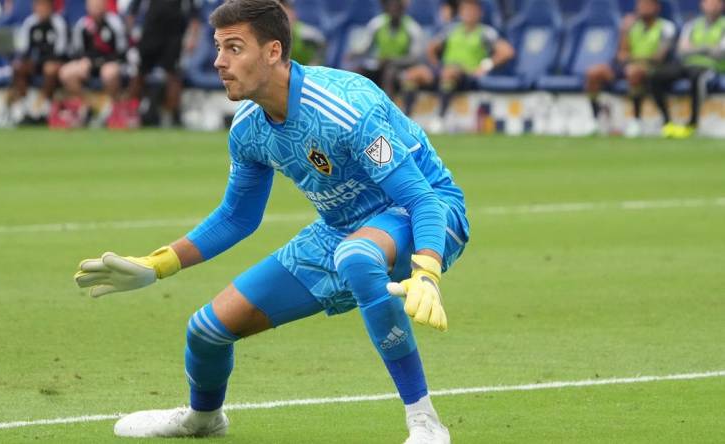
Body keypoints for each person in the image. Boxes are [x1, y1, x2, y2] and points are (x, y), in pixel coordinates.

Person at [73, 0, 468, 442]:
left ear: (273, 51)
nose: (219, 62)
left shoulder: (346, 107)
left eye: (234, 48)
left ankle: (425, 420)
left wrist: (428, 269)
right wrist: (157, 264)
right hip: (339, 231)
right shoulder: (248, 129)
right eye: (218, 47)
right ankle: (204, 419)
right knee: (206, 330)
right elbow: (236, 217)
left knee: (357, 255)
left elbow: (421, 198)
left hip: (427, 216)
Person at [400, 0, 513, 129]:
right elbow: (431, 48)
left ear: (479, 13)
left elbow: (507, 51)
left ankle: (440, 119)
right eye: (465, 10)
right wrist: (436, 65)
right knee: (413, 74)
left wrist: (485, 66)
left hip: (466, 74)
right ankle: (405, 119)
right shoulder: (452, 29)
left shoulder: (485, 32)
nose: (469, 13)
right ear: (460, 12)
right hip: (443, 70)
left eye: (472, 10)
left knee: (450, 72)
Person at [585, 0, 676, 137]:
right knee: (593, 73)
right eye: (640, 5)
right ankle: (595, 120)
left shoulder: (666, 27)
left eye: (646, 5)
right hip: (627, 66)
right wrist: (624, 31)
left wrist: (633, 59)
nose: (642, 8)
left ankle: (636, 121)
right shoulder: (631, 26)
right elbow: (621, 54)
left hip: (651, 68)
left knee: (634, 72)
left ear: (656, 7)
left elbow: (658, 57)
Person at [649, 0, 724, 138]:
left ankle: (693, 123)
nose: (712, 6)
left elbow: (720, 52)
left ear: (722, 5)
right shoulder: (692, 24)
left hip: (711, 67)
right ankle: (667, 121)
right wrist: (707, 48)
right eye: (709, 2)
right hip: (687, 64)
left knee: (698, 78)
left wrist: (695, 48)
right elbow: (681, 50)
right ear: (702, 5)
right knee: (656, 76)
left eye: (716, 3)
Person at [123, 0, 200, 128]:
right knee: (139, 74)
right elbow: (132, 11)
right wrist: (131, 35)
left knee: (173, 76)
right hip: (149, 34)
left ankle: (171, 116)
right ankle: (131, 112)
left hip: (174, 36)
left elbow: (194, 15)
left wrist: (192, 37)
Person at [57, 0, 127, 126]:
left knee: (109, 72)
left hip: (109, 63)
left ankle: (110, 108)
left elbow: (122, 53)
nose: (96, 9)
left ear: (105, 6)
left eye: (99, 5)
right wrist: (82, 61)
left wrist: (98, 62)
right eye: (93, 6)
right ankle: (89, 105)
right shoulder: (82, 25)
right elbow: (76, 52)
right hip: (89, 65)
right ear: (87, 7)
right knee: (66, 72)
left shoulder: (114, 23)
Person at [347, 0, 424, 99]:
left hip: (401, 67)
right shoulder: (377, 23)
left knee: (390, 71)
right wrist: (354, 54)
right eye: (391, 8)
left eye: (397, 9)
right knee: (359, 70)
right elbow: (366, 47)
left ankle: (387, 102)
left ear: (403, 10)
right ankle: (355, 100)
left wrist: (393, 60)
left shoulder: (412, 27)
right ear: (386, 9)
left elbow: (415, 57)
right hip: (380, 64)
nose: (394, 11)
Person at [8, 0, 68, 125]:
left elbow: (60, 53)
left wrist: (43, 61)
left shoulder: (59, 24)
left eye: (44, 6)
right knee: (18, 68)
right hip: (35, 63)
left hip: (53, 63)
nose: (41, 9)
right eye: (38, 6)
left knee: (49, 68)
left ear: (51, 8)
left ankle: (45, 108)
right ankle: (22, 107)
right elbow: (23, 50)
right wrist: (26, 61)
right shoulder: (30, 23)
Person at [280, 0, 325, 66]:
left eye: (287, 14)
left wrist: (313, 66)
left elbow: (322, 48)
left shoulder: (310, 36)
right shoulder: (271, 37)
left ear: (294, 14)